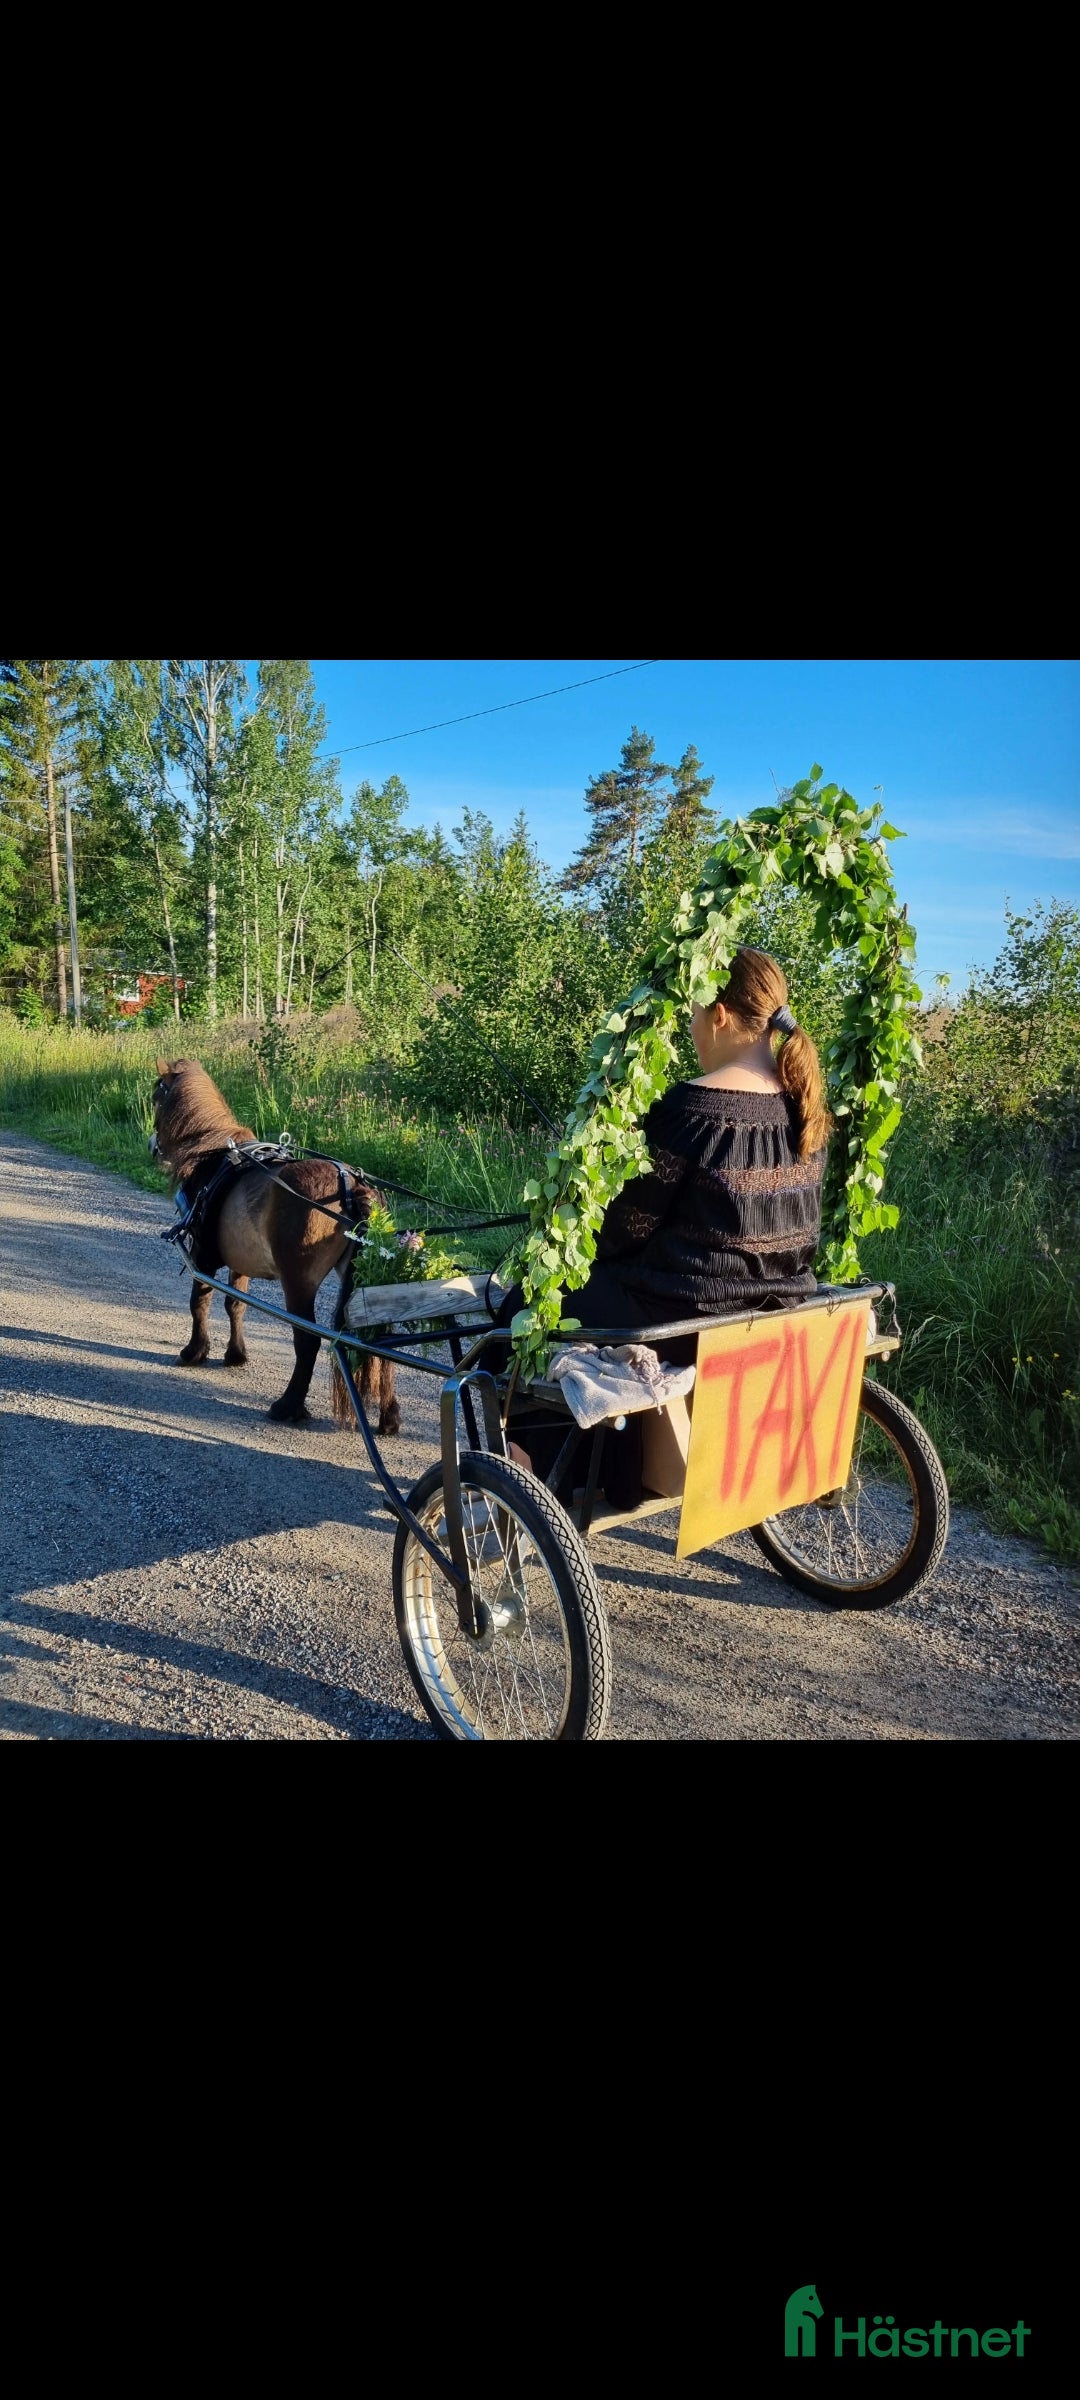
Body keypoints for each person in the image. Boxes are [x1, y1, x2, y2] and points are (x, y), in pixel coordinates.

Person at [494, 945, 834, 1490]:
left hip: (690, 1319)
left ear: (720, 1014)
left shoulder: (692, 1109)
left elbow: (625, 1233)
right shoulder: (804, 1104)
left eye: (695, 1014)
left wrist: (580, 1227)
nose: (693, 1030)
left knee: (524, 1304)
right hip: (780, 1307)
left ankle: (525, 1473)